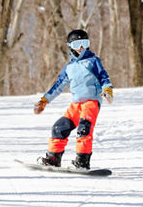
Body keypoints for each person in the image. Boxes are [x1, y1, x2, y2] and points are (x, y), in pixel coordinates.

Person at [33, 29, 114, 170]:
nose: (81, 48)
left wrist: (107, 89)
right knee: (59, 128)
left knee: (84, 129)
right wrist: (44, 100)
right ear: (70, 46)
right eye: (77, 44)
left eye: (84, 43)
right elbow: (58, 86)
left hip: (91, 102)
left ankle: (82, 161)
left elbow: (103, 77)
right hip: (76, 105)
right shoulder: (69, 67)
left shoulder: (93, 61)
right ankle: (54, 158)